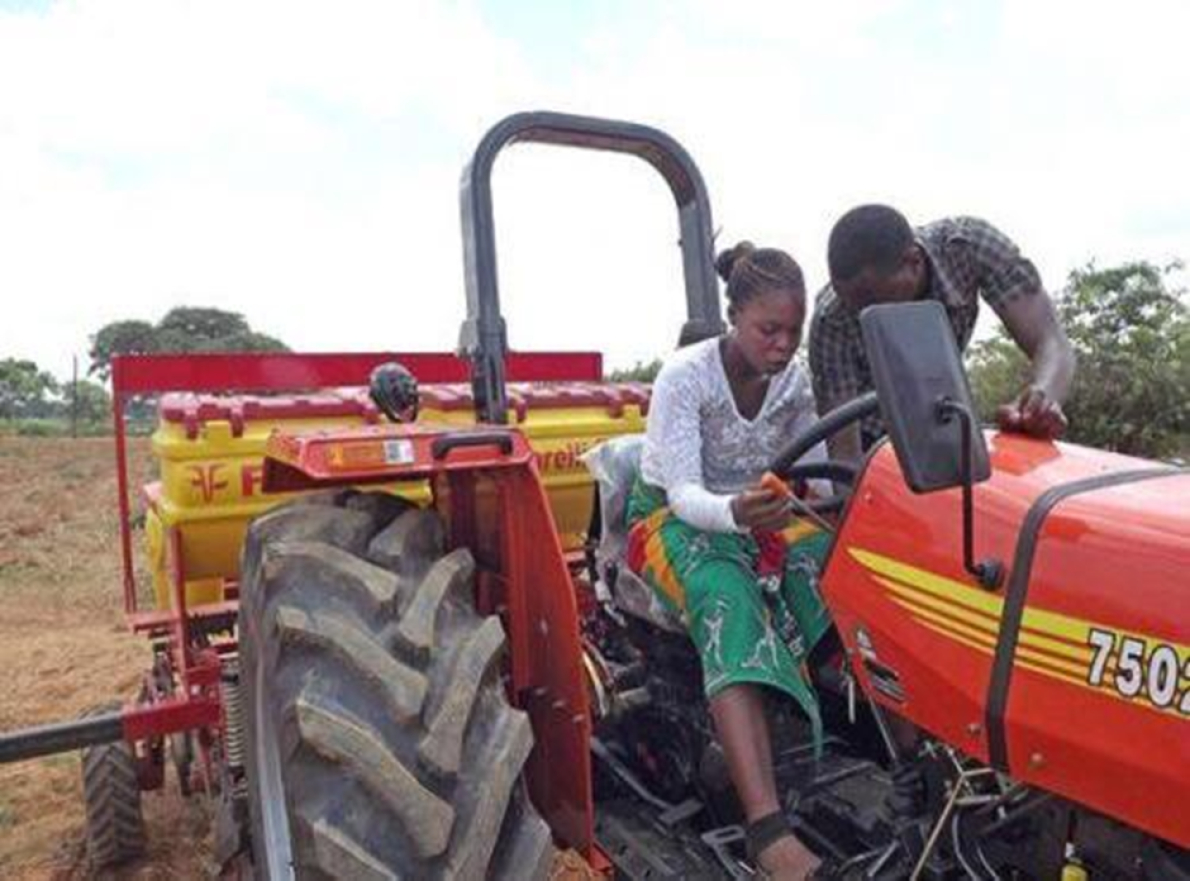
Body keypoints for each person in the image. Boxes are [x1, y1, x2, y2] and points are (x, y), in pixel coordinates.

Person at [626, 242, 830, 880]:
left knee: (832, 570)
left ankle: (875, 742)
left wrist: (823, 510)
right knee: (726, 594)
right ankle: (767, 829)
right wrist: (738, 516)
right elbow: (685, 495)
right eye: (769, 330)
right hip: (673, 518)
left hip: (760, 509)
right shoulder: (686, 378)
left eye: (793, 331)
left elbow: (817, 473)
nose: (782, 345)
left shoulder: (795, 380)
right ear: (733, 316)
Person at [809, 205, 1076, 461]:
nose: (862, 317)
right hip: (872, 442)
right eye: (853, 308)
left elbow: (1050, 341)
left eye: (873, 304)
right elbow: (845, 452)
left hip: (940, 425)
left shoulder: (971, 246)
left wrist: (1040, 401)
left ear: (914, 262)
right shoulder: (831, 317)